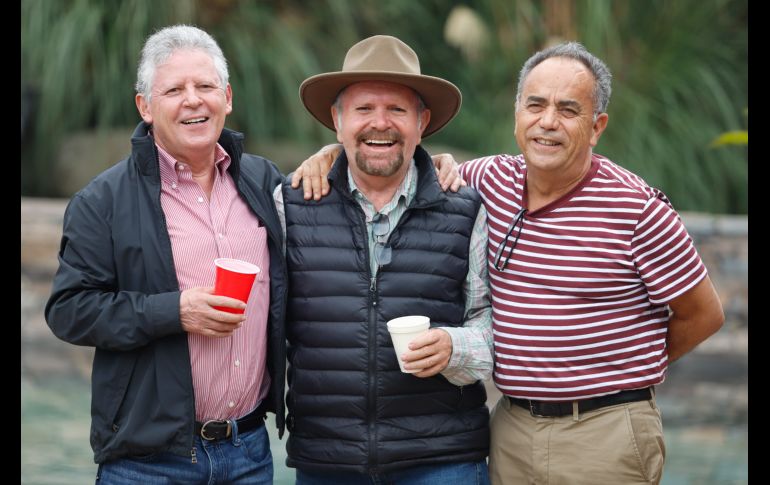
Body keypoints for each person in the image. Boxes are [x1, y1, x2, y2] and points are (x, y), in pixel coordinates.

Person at [297, 41, 725, 485]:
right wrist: (330, 156)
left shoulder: (637, 210)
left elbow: (704, 315)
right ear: (517, 113)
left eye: (568, 110)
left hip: (604, 432)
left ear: (597, 126)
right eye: (535, 105)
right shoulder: (487, 180)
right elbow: (397, 161)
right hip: (512, 428)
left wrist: (626, 370)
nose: (548, 121)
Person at [45, 25, 288, 484]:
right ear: (145, 106)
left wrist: (330, 155)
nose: (193, 100)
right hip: (148, 462)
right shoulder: (102, 200)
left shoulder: (263, 181)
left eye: (205, 86)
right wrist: (174, 311)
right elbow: (69, 311)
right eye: (174, 90)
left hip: (250, 450)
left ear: (227, 98)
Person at [275, 35, 494, 484]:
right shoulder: (290, 204)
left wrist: (455, 347)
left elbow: (491, 322)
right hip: (328, 461)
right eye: (363, 109)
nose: (380, 123)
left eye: (397, 109)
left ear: (421, 122)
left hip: (443, 461)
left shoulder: (466, 208)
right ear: (337, 121)